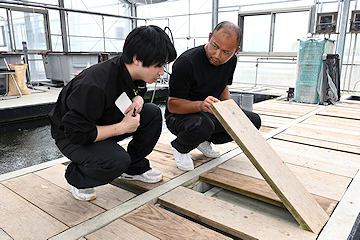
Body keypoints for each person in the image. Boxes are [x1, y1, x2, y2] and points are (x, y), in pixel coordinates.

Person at [48, 25, 177, 201]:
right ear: (137, 59)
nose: (162, 72)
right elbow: (77, 133)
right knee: (116, 161)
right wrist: (122, 127)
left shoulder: (132, 72)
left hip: (104, 121)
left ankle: (134, 167)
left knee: (152, 114)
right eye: (159, 66)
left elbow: (139, 89)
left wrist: (138, 99)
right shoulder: (95, 85)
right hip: (71, 134)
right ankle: (77, 177)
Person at [165, 21, 261, 171]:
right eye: (214, 46)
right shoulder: (186, 62)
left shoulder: (231, 61)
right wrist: (200, 105)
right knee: (203, 125)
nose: (217, 55)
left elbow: (223, 85)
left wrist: (229, 109)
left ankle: (202, 141)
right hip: (180, 115)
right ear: (210, 37)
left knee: (251, 122)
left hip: (208, 113)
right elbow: (172, 105)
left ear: (236, 51)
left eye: (226, 52)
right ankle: (181, 148)